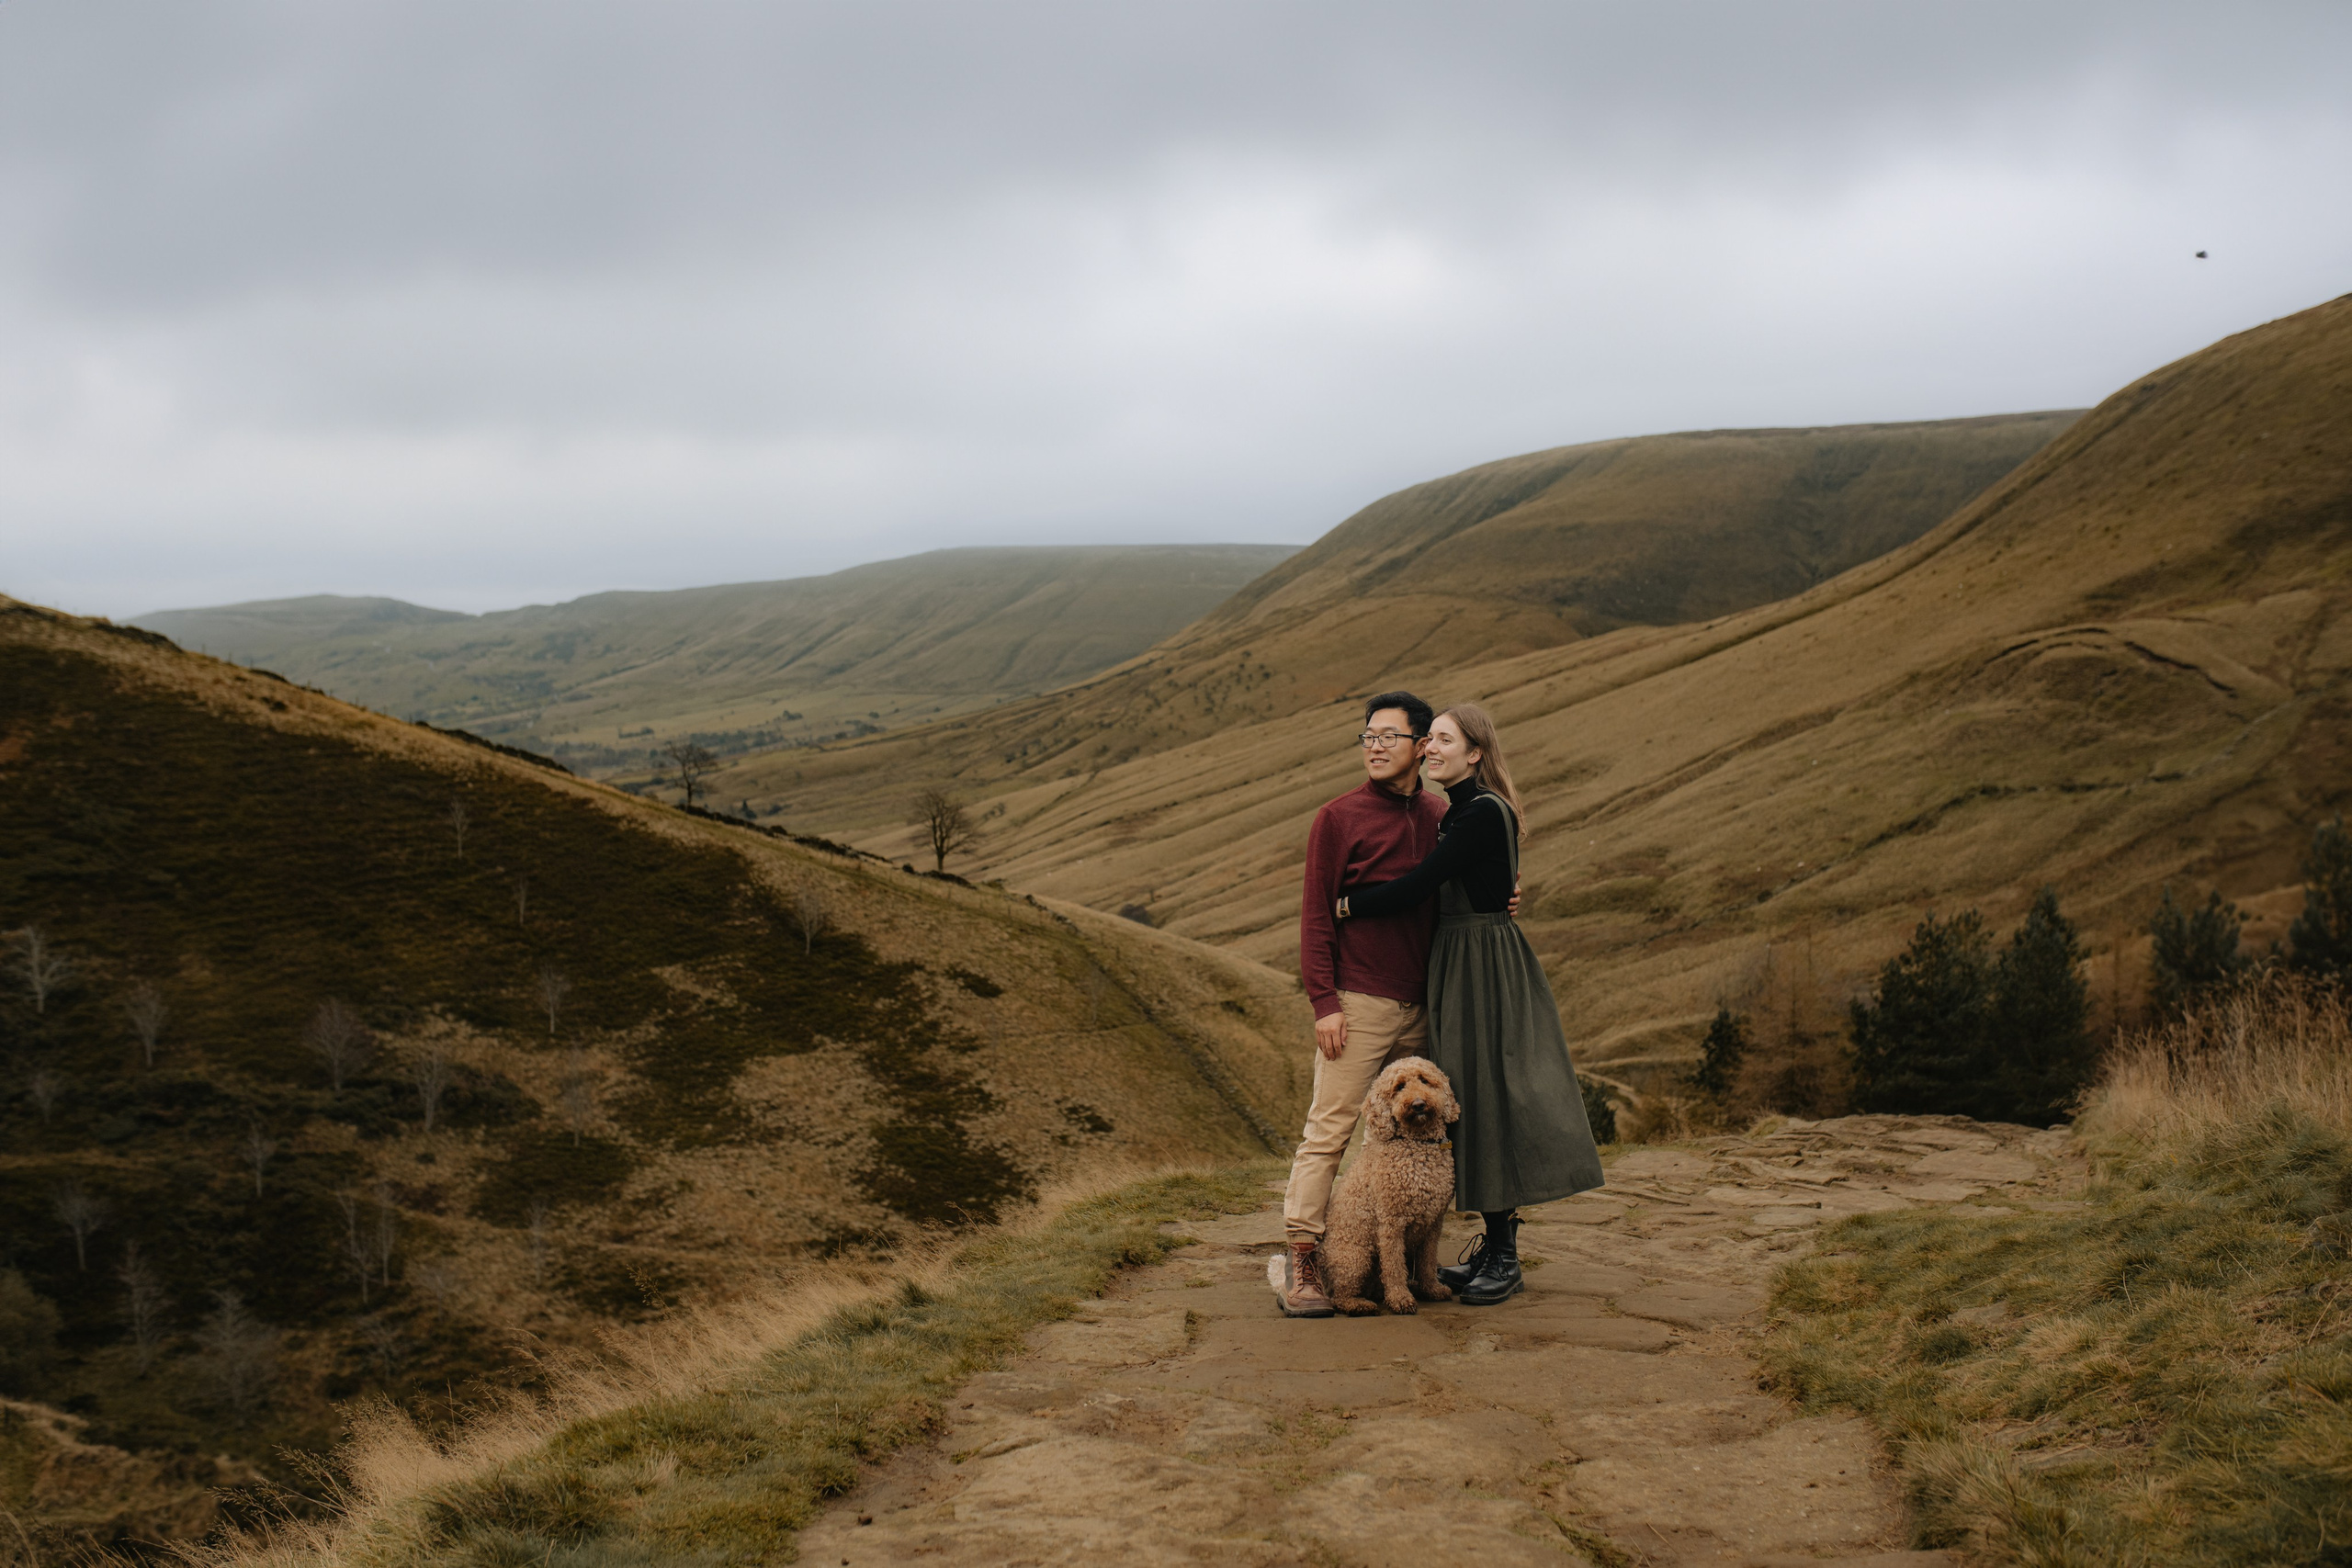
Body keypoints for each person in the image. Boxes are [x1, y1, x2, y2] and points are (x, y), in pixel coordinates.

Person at [1336, 701, 1604, 1304]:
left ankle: (1504, 1256)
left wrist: (1349, 904)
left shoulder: (1479, 813)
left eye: (1444, 741)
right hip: (1463, 959)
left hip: (1483, 964)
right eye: (1428, 740)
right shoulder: (1462, 813)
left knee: (1489, 1101)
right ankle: (1493, 1246)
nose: (1430, 748)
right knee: (1475, 1103)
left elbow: (1421, 884)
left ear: (1475, 753)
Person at [1274, 691, 1448, 1317]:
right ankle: (1304, 1261)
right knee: (1329, 1131)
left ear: (1422, 745)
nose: (1373, 745)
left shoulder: (1438, 814)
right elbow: (1316, 915)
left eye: (1387, 736)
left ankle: (1410, 1263)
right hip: (1360, 1001)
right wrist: (1325, 1000)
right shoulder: (1338, 817)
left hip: (1423, 1003)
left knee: (1419, 1139)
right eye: (1367, 735)